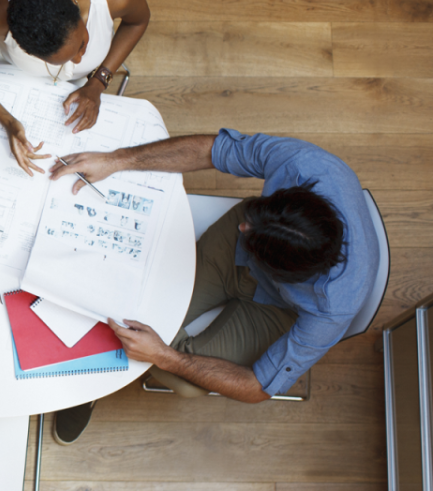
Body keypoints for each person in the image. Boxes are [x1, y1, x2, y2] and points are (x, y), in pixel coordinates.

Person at [45, 129, 379, 445]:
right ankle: (96, 380)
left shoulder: (332, 307)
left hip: (281, 310)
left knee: (181, 378)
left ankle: (107, 369)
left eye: (255, 235)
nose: (244, 226)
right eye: (259, 213)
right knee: (127, 309)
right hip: (230, 255)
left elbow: (257, 388)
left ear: (286, 272)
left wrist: (166, 357)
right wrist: (117, 160)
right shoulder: (307, 166)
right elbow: (214, 149)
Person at [0, 0, 150, 176]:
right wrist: (8, 121)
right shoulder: (0, 14)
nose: (80, 60)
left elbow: (138, 20)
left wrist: (98, 81)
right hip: (9, 73)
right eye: (63, 59)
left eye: (82, 44)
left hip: (80, 88)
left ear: (75, 9)